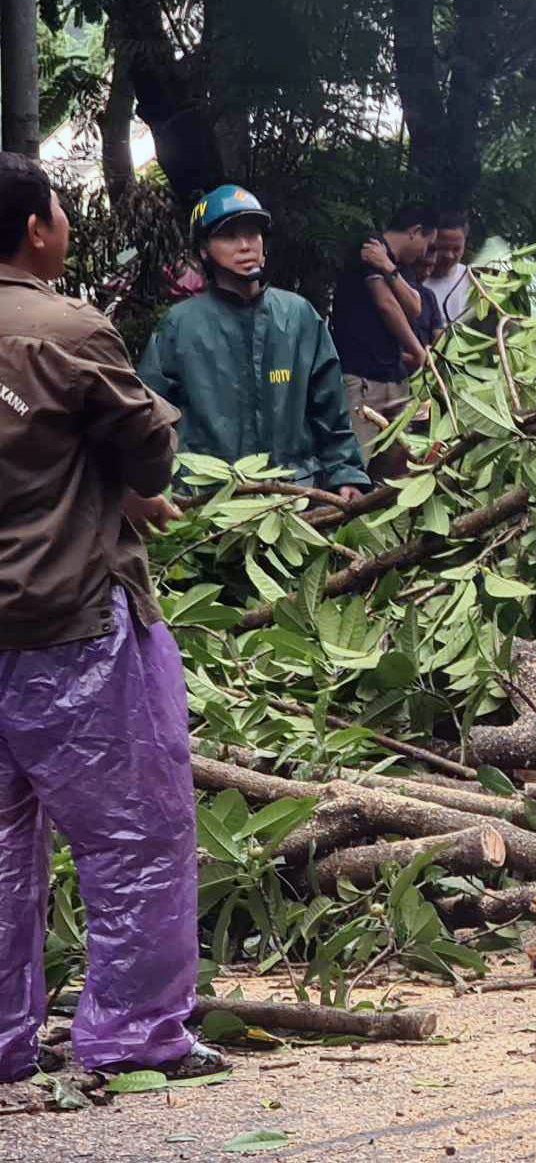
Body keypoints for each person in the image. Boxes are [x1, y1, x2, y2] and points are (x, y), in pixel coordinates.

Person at [0, 152, 228, 1089]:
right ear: (36, 229)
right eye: (58, 212)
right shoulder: (66, 328)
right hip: (70, 624)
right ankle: (136, 1036)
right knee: (136, 836)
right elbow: (151, 457)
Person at [138, 186, 370, 499]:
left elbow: (331, 411)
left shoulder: (298, 316)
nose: (246, 245)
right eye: (230, 235)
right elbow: (150, 418)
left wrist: (346, 475)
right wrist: (154, 488)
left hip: (296, 496)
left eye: (253, 233)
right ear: (204, 249)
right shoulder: (179, 326)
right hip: (212, 501)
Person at [330, 204, 440, 466]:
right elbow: (388, 306)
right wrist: (420, 353)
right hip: (362, 378)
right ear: (415, 231)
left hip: (394, 378)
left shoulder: (395, 264)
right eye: (428, 243)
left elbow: (414, 307)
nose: (426, 253)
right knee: (357, 464)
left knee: (400, 465)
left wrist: (388, 268)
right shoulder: (369, 247)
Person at [422, 209, 474, 327]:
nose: (449, 256)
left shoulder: (472, 279)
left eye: (456, 249)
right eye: (443, 248)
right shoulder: (412, 279)